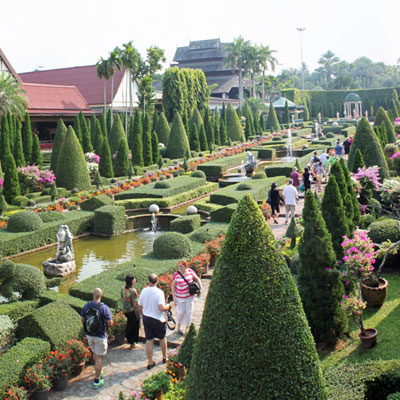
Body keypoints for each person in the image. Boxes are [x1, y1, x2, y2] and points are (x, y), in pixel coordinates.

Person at [81, 288, 113, 389]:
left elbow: (82, 319)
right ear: (101, 296)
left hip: (89, 335)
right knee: (99, 358)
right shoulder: (104, 308)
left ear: (93, 295)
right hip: (100, 335)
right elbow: (110, 323)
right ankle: (97, 380)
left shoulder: (87, 306)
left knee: (95, 353)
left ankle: (98, 369)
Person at [138, 274, 171, 370]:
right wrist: (168, 306)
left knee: (149, 340)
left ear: (148, 281)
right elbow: (161, 307)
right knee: (162, 338)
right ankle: (165, 357)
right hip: (158, 319)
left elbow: (139, 305)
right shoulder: (159, 292)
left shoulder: (144, 291)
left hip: (147, 318)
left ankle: (150, 362)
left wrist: (142, 314)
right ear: (157, 281)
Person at [171, 260, 202, 335]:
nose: (180, 268)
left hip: (189, 296)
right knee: (180, 312)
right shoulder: (177, 274)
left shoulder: (190, 271)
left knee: (189, 312)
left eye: (181, 266)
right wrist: (174, 296)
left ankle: (187, 328)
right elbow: (173, 286)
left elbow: (197, 279)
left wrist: (200, 287)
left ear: (185, 266)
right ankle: (178, 327)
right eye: (179, 266)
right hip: (179, 297)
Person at [120, 274, 140, 350]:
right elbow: (135, 303)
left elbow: (122, 298)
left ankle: (128, 340)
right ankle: (132, 343)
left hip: (125, 310)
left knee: (129, 325)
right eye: (134, 279)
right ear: (131, 281)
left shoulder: (123, 289)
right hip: (132, 311)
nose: (135, 280)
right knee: (134, 327)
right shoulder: (133, 291)